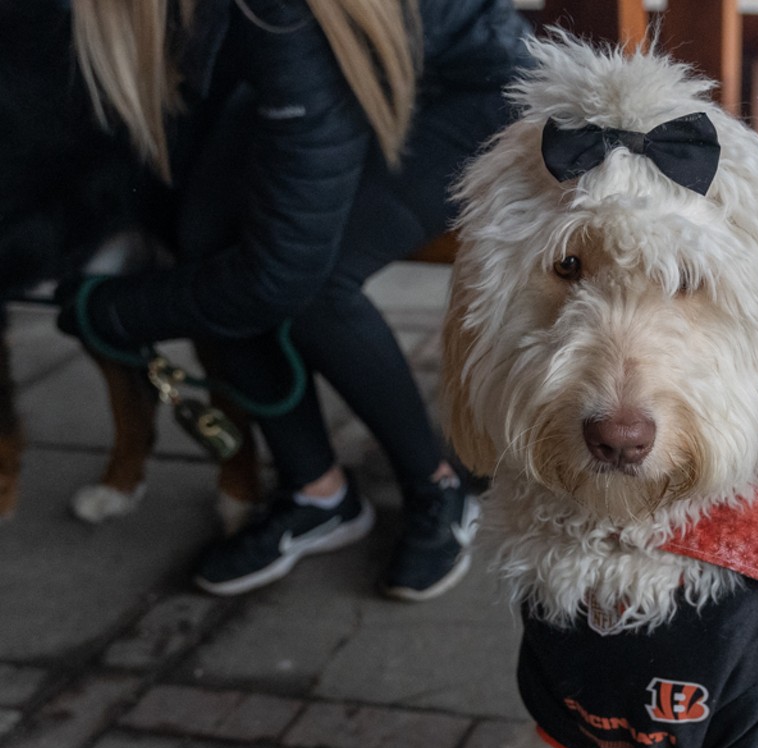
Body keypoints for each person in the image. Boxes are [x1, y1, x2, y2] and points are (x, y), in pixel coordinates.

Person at [62, 0, 530, 598]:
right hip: (345, 70)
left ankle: (436, 486)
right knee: (207, 240)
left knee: (314, 284)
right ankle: (318, 492)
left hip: (473, 93)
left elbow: (280, 273)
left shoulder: (285, 16)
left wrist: (106, 311)